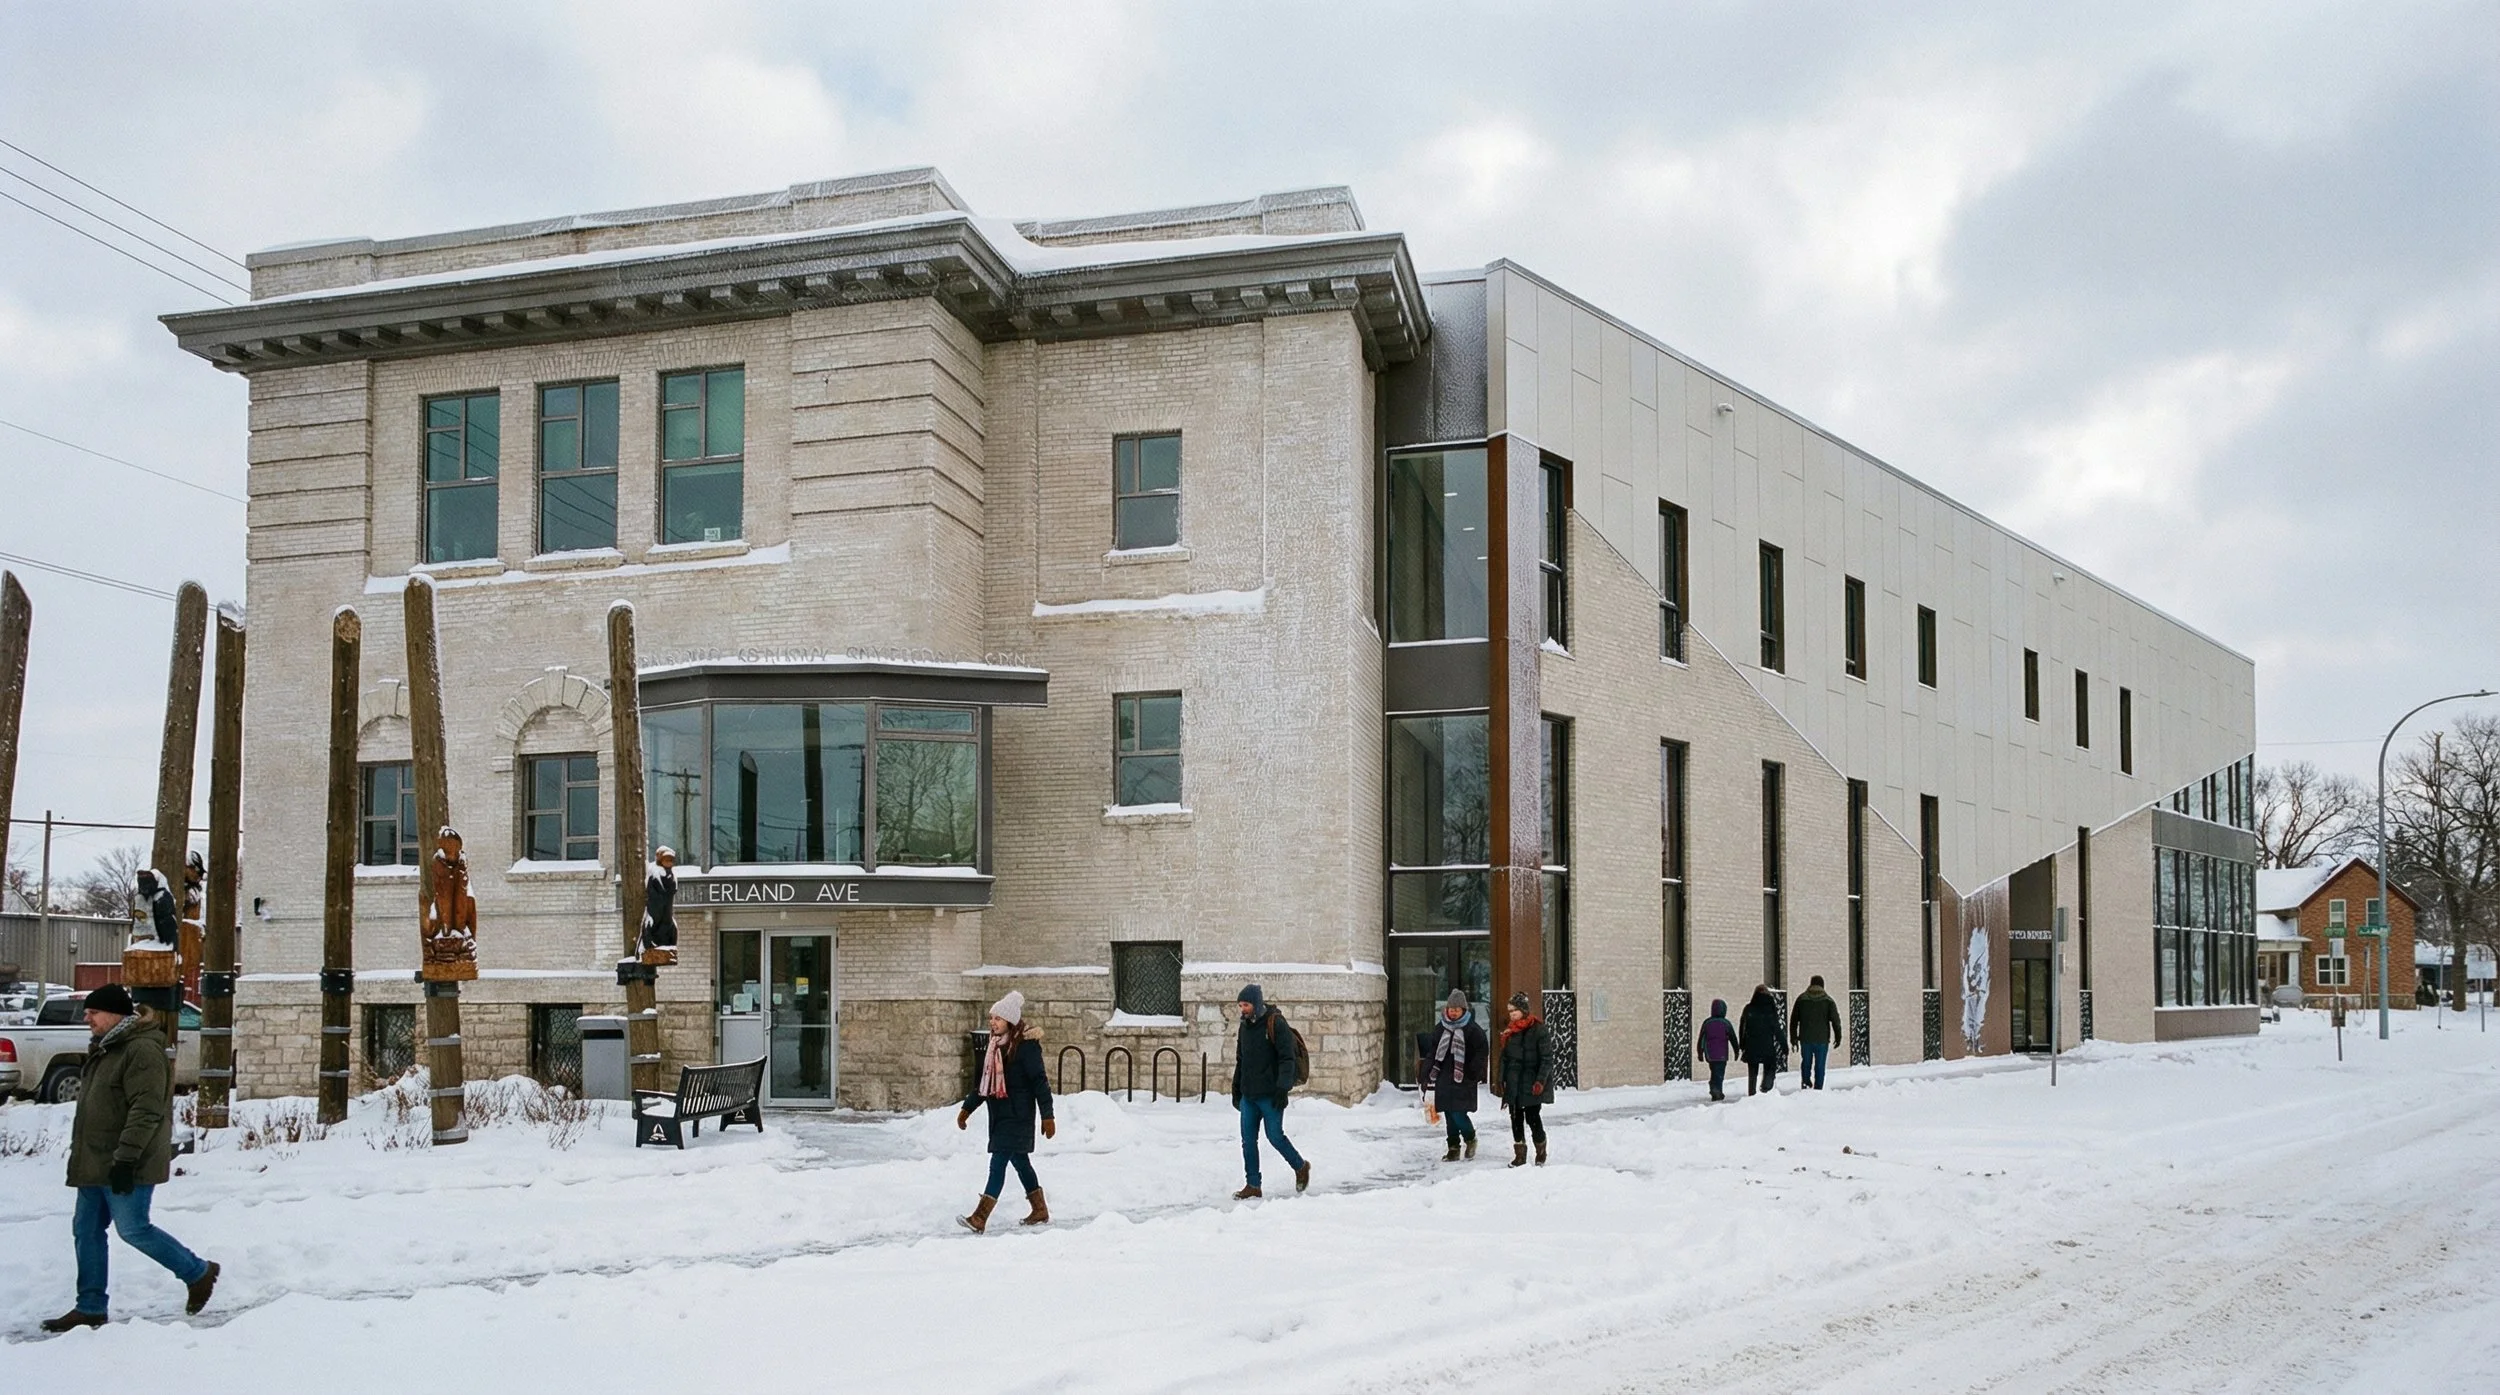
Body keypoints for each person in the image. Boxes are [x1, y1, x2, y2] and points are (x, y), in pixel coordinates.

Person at [41, 983, 218, 1332]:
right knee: (86, 1230)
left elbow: (147, 1111)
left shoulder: (142, 1050)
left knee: (133, 1229)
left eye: (93, 1012)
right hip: (94, 1161)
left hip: (127, 1161)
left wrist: (125, 1160)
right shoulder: (106, 1048)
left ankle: (198, 1272)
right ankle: (90, 1307)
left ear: (115, 1014)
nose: (87, 1018)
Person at [956, 990, 1054, 1233]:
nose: (992, 1023)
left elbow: (1039, 1082)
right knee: (1021, 1162)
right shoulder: (993, 1048)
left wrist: (1047, 1115)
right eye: (991, 1018)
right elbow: (983, 1086)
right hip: (1000, 1116)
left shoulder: (1026, 1048)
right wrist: (966, 1109)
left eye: (997, 1019)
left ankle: (980, 1217)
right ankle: (1039, 1210)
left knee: (998, 1162)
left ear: (1009, 1020)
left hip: (1018, 1116)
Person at [1230, 984, 1309, 1198]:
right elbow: (1241, 1059)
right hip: (1249, 1094)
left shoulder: (1276, 1023)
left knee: (1275, 1137)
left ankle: (1300, 1166)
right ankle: (1253, 1185)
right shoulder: (1244, 1027)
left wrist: (1282, 1089)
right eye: (1240, 1005)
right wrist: (1236, 1088)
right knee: (1248, 1140)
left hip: (1271, 1094)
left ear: (1256, 1003)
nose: (1242, 1009)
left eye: (1245, 1005)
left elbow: (1287, 1059)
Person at [1416, 989, 1489, 1160]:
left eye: (1457, 1009)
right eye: (1451, 1008)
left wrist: (1473, 1071)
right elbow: (1433, 1052)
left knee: (1458, 1113)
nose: (1453, 1012)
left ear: (1463, 1010)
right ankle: (1453, 1147)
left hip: (1463, 1077)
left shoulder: (1472, 1029)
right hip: (1443, 1077)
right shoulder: (1441, 1027)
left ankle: (1470, 1139)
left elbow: (1481, 1052)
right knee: (1448, 1113)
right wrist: (1426, 1072)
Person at [1495, 992, 1554, 1166]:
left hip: (1531, 1081)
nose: (1512, 1013)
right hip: (1513, 1081)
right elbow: (1504, 1058)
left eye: (1515, 1010)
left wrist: (1540, 1081)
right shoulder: (1510, 1032)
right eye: (1510, 1010)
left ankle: (1540, 1149)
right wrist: (1501, 1079)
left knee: (1533, 1117)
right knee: (1515, 1118)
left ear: (1524, 1010)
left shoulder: (1539, 1030)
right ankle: (1520, 1154)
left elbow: (1546, 1059)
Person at [1790, 974, 1842, 1090]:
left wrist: (1793, 1038)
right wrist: (1838, 1037)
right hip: (1822, 1039)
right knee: (1820, 1066)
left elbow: (1793, 1020)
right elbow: (1836, 1021)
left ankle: (1806, 1083)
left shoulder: (1801, 999)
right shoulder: (1828, 1001)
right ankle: (1818, 1088)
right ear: (1822, 986)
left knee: (1806, 1063)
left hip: (1805, 1038)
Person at [1738, 984, 1782, 1096]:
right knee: (1770, 1065)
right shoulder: (1771, 1009)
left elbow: (1742, 1027)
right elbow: (1777, 1028)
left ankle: (1751, 1093)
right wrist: (1783, 1044)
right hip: (1767, 1045)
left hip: (1751, 1045)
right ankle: (1766, 1087)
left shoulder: (1748, 1009)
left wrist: (1742, 1044)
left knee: (1752, 1072)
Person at [1696, 998, 1737, 1101]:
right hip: (1722, 1054)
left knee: (1714, 1070)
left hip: (1710, 1053)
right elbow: (1733, 1038)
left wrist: (1700, 1052)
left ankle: (1714, 1089)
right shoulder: (1726, 1023)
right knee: (1719, 1073)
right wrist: (1736, 1050)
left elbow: (1701, 1039)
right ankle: (1716, 1090)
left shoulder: (1707, 1023)